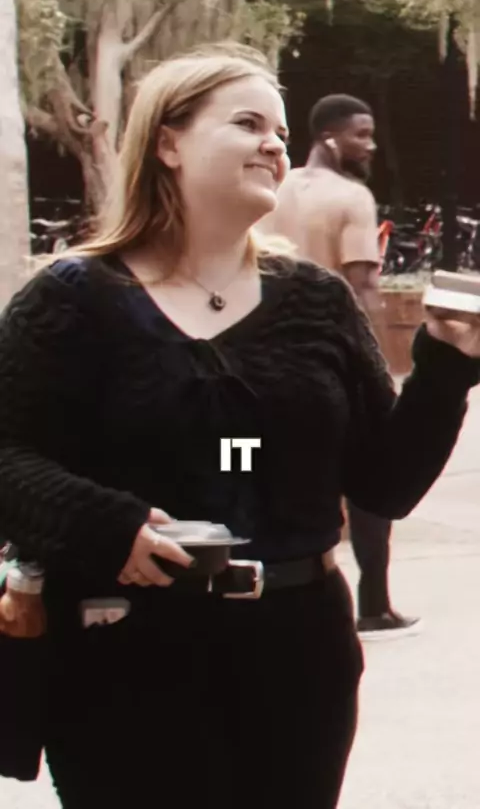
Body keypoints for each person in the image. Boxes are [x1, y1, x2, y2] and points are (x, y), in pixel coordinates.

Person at [0, 45, 479, 809]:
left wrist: (447, 367)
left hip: (299, 656)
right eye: (248, 124)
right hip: (121, 655)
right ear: (167, 143)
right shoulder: (73, 298)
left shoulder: (315, 301)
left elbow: (384, 481)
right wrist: (104, 523)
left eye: (281, 133)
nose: (274, 145)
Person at [269, 93, 422, 639]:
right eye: (362, 134)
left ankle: (256, 580)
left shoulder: (274, 187)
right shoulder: (352, 197)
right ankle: (374, 603)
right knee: (366, 477)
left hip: (258, 356)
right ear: (329, 138)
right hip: (328, 360)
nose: (370, 145)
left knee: (243, 460)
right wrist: (378, 372)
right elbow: (363, 286)